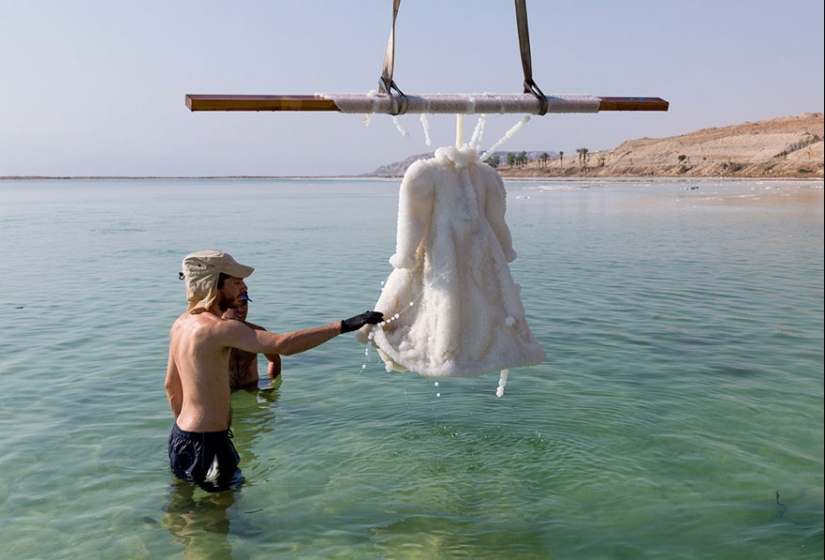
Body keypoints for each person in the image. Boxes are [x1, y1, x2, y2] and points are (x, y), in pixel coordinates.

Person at [166, 249, 383, 492]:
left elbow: (171, 386)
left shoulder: (181, 324)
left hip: (180, 437)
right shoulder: (219, 329)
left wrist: (187, 434)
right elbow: (283, 345)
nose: (243, 286)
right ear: (213, 285)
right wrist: (344, 325)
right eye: (236, 281)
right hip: (209, 442)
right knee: (223, 507)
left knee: (181, 499)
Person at [221, 291, 282, 390]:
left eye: (244, 304)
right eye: (236, 305)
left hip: (252, 390)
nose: (241, 310)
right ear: (223, 307)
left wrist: (272, 387)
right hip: (224, 393)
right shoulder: (212, 335)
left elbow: (274, 360)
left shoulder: (256, 332)